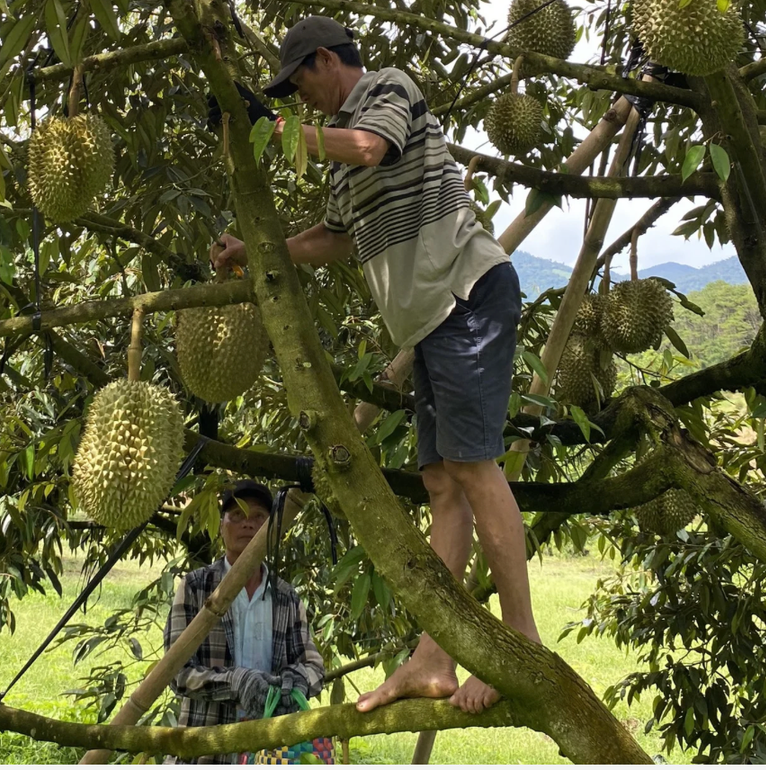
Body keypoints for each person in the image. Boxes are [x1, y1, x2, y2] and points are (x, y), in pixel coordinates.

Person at [209, 16, 540, 715]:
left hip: (466, 296)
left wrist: (273, 130)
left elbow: (370, 145)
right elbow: (333, 238)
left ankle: (522, 647)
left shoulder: (388, 90)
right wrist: (255, 250)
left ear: (327, 60)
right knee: (442, 484)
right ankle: (433, 655)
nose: (302, 103)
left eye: (301, 85)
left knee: (476, 471)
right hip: (428, 325)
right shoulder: (335, 155)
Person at [163, 480, 325, 763]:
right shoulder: (195, 589)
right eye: (237, 516)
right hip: (206, 749)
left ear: (271, 529)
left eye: (259, 517)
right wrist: (234, 682)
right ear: (221, 526)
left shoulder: (285, 597)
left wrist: (293, 682)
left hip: (272, 751)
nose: (248, 525)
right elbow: (176, 673)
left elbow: (312, 666)